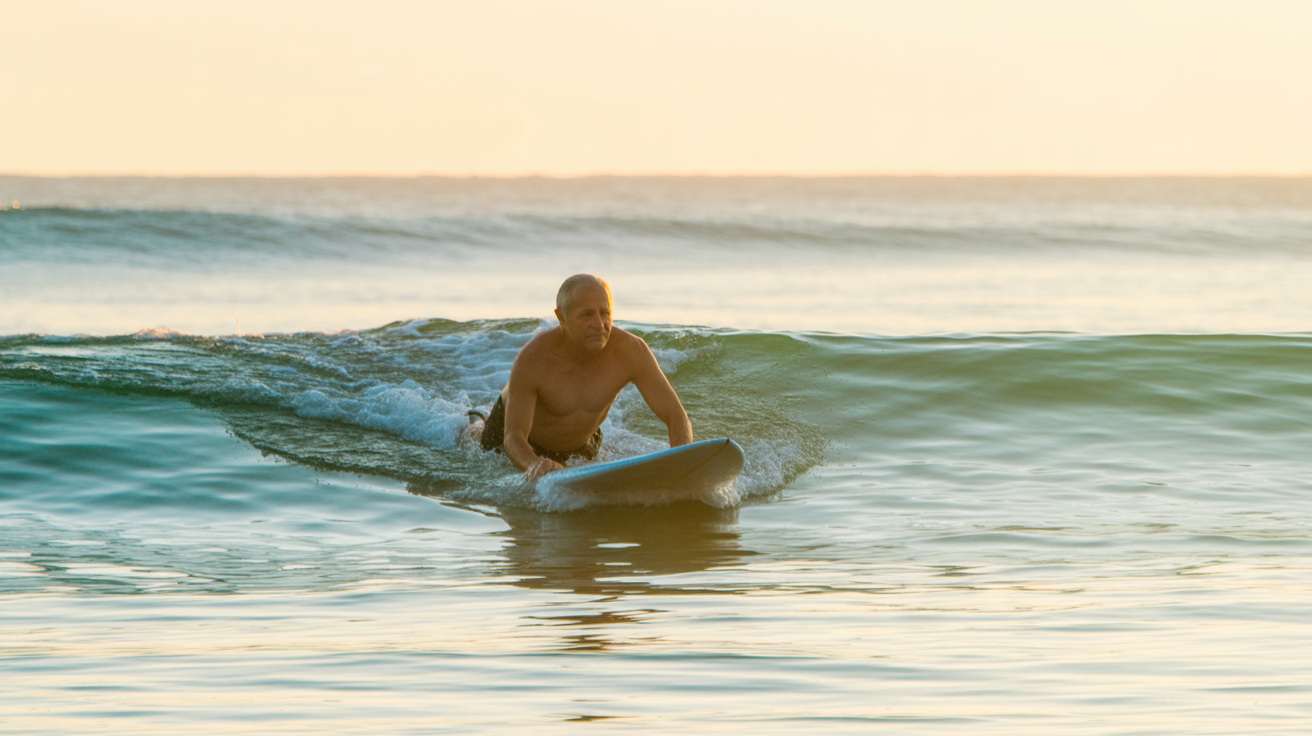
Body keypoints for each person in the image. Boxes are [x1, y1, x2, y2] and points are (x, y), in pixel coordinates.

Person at [470, 274, 693, 480]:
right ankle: (475, 424)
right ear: (561, 318)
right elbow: (513, 437)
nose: (599, 325)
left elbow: (676, 416)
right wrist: (535, 464)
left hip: (581, 443)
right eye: (586, 315)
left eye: (605, 313)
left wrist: (682, 466)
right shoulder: (534, 359)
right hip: (515, 436)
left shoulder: (631, 352)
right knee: (471, 443)